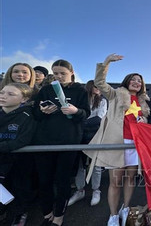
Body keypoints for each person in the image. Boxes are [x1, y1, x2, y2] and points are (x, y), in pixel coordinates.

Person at [84, 54, 150, 226]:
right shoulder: (115, 94)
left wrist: (145, 121)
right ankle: (113, 215)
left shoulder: (143, 102)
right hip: (116, 143)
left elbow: (144, 124)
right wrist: (106, 63)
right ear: (127, 81)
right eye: (134, 79)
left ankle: (125, 208)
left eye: (139, 81)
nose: (137, 82)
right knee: (115, 181)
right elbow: (99, 83)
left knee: (130, 178)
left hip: (135, 144)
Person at [32, 59, 90, 226]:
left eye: (62, 73)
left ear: (71, 73)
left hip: (69, 141)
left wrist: (75, 111)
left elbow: (86, 113)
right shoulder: (46, 89)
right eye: (55, 73)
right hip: (44, 141)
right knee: (44, 179)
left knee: (62, 180)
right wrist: (43, 111)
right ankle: (47, 212)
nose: (59, 76)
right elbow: (36, 113)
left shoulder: (80, 90)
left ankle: (59, 215)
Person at [0, 83, 36, 226]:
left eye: (11, 94)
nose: (3, 96)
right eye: (2, 92)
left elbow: (22, 140)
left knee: (18, 191)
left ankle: (18, 216)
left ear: (24, 99)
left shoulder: (28, 116)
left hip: (18, 163)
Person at [68, 80, 108, 207]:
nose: (98, 89)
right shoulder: (81, 99)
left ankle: (96, 190)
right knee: (80, 164)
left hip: (95, 135)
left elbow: (99, 118)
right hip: (79, 135)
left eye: (100, 87)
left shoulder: (102, 101)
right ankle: (80, 190)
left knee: (96, 164)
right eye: (95, 86)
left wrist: (82, 123)